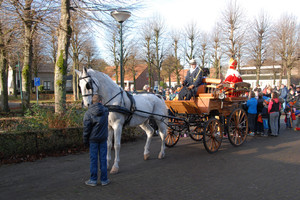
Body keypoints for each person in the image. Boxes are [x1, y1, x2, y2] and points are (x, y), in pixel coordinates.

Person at [83, 94, 110, 187]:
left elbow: (86, 128)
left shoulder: (88, 113)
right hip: (103, 138)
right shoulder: (106, 111)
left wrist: (85, 140)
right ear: (100, 101)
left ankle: (93, 179)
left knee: (93, 159)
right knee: (103, 159)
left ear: (92, 102)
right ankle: (104, 179)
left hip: (93, 139)